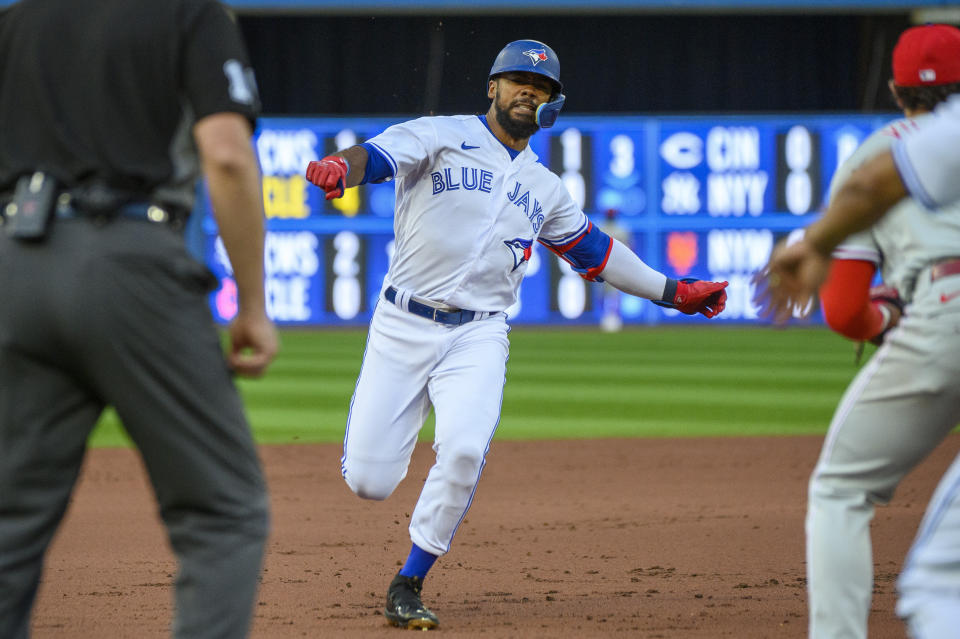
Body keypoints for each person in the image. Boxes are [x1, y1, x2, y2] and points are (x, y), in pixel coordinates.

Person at [305, 38, 728, 631]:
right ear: (492, 87)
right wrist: (339, 170)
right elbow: (372, 157)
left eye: (543, 87)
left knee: (464, 451)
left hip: (478, 334)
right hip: (402, 324)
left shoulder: (545, 187)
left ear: (554, 103)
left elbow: (596, 253)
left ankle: (410, 580)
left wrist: (671, 291)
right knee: (370, 483)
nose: (529, 91)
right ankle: (385, 496)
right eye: (517, 81)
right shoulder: (440, 134)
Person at [0, 1, 278, 638]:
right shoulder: (189, 11)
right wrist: (253, 308)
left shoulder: (16, 21)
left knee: (8, 525)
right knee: (223, 512)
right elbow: (228, 156)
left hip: (17, 259)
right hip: (130, 261)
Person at [798, 24, 960, 639]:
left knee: (841, 489)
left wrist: (885, 314)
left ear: (895, 90)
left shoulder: (875, 155)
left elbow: (844, 313)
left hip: (945, 310)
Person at [598, 208, 632, 332]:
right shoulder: (605, 228)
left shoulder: (616, 229)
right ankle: (606, 317)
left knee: (613, 294)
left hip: (608, 266)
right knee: (605, 294)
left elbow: (628, 248)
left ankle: (613, 318)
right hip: (607, 265)